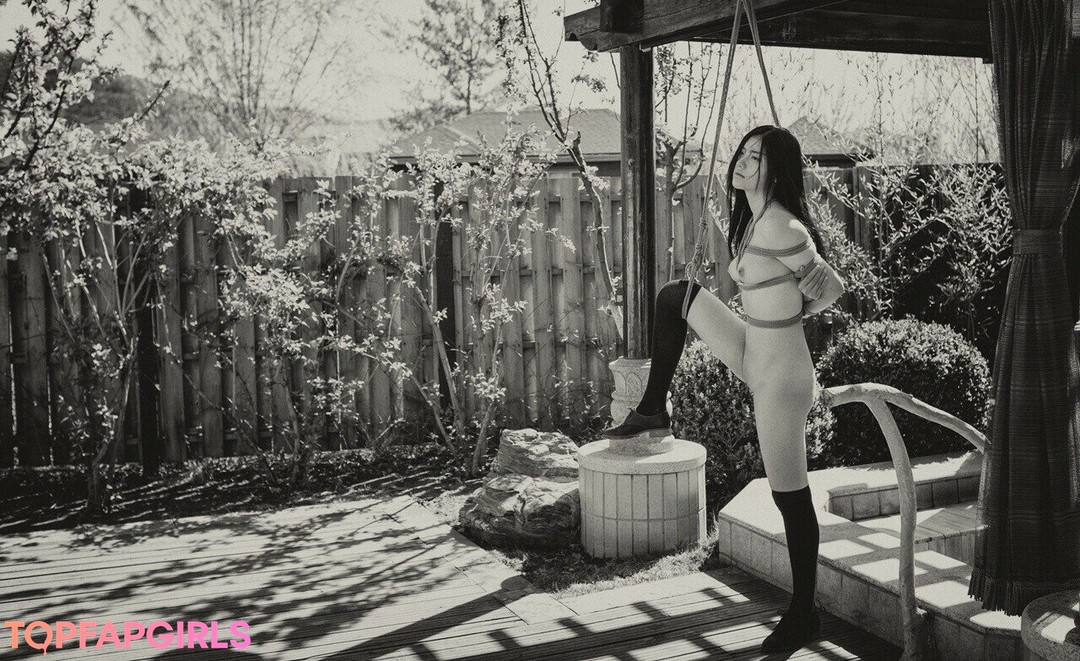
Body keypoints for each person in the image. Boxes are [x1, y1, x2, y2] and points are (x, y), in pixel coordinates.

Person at [602, 125, 846, 653]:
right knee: (676, 298)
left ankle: (803, 613)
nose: (742, 161)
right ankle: (653, 409)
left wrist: (800, 309)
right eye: (742, 152)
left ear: (776, 168)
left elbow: (833, 287)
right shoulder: (755, 219)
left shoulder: (782, 225)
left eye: (756, 156)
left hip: (781, 376)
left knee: (789, 495)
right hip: (752, 349)